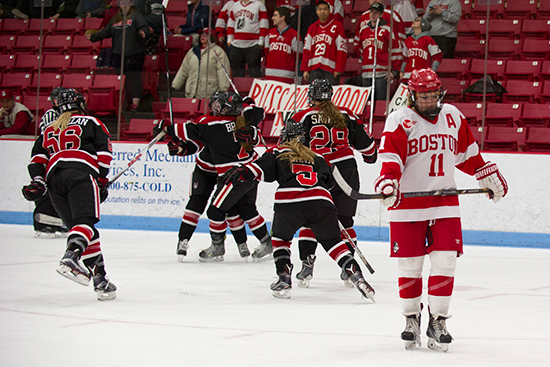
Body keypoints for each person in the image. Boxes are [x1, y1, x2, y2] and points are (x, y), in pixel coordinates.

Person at [375, 68, 508, 351]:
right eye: (423, 95)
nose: (429, 100)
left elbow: (467, 154)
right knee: (410, 266)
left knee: (446, 261)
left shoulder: (453, 116)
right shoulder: (399, 119)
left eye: (433, 94)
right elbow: (391, 159)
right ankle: (411, 319)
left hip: (444, 203)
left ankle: (438, 321)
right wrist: (388, 182)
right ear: (412, 95)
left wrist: (485, 173)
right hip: (408, 205)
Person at [219, 119, 375, 301]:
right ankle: (356, 275)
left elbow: (257, 170)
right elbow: (332, 185)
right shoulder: (317, 157)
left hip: (289, 204)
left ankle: (284, 278)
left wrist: (241, 171)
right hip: (321, 203)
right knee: (334, 243)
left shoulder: (277, 152)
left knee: (280, 239)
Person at [153, 92, 273, 262]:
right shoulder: (243, 119)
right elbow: (256, 118)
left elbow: (190, 130)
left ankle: (217, 247)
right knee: (247, 209)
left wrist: (166, 128)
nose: (214, 107)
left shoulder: (212, 124)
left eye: (218, 105)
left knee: (215, 210)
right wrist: (249, 104)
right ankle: (267, 242)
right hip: (252, 170)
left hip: (234, 175)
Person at [22, 89, 117, 301]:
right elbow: (104, 154)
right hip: (80, 174)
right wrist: (101, 179)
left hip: (55, 180)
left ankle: (100, 279)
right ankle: (71, 257)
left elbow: (37, 160)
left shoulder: (49, 128)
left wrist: (38, 181)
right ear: (80, 104)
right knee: (85, 222)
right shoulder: (92, 121)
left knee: (82, 229)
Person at [290, 79, 377, 288]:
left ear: (311, 96)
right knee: (345, 222)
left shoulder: (301, 116)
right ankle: (350, 269)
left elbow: (291, 147)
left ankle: (307, 265)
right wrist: (370, 157)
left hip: (317, 169)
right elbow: (369, 149)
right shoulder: (346, 114)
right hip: (346, 170)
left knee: (309, 220)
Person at [167, 140, 251, 262]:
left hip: (226, 171)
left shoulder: (236, 124)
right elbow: (197, 141)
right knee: (196, 203)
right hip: (204, 169)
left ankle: (241, 243)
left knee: (227, 207)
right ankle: (183, 240)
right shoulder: (209, 123)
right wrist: (182, 148)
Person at [86, 0, 152, 112]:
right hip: (118, 55)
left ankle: (135, 105)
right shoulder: (116, 18)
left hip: (134, 54)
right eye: (121, 1)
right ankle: (122, 104)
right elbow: (106, 32)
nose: (123, 3)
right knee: (121, 81)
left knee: (134, 79)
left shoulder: (136, 16)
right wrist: (93, 37)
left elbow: (144, 27)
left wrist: (143, 32)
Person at [33, 87, 71, 238]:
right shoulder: (51, 115)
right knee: (45, 189)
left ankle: (55, 221)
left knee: (60, 191)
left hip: (61, 157)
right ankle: (41, 224)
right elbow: (49, 136)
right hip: (49, 156)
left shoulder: (69, 115)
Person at [356, 2, 402, 102]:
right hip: (367, 74)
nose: (373, 14)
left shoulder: (388, 30)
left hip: (382, 74)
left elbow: (397, 50)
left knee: (381, 103)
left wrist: (395, 71)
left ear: (381, 14)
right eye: (371, 12)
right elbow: (359, 49)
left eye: (376, 13)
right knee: (367, 103)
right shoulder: (363, 30)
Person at [172, 28, 231, 99]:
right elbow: (184, 68)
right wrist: (176, 84)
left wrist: (223, 89)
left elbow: (222, 72)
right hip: (192, 91)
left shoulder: (218, 52)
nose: (202, 37)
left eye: (205, 35)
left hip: (209, 92)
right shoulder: (192, 51)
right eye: (201, 35)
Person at [301, 0, 347, 85]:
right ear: (316, 11)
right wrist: (305, 69)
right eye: (320, 9)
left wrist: (338, 69)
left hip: (330, 70)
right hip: (313, 69)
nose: (322, 12)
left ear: (329, 11)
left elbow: (342, 50)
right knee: (314, 97)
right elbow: (306, 49)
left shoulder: (337, 26)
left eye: (325, 9)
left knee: (329, 96)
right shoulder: (312, 28)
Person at [226, 0, 269, 78]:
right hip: (236, 45)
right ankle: (238, 90)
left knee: (254, 73)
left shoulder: (259, 5)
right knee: (237, 74)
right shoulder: (235, 5)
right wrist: (229, 40)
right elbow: (231, 23)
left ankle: (255, 90)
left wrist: (260, 42)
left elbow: (264, 24)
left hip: (253, 45)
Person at [400, 17, 442, 81]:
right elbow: (406, 58)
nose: (414, 21)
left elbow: (438, 55)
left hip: (422, 76)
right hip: (408, 76)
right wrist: (402, 71)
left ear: (423, 24)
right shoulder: (408, 40)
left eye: (417, 20)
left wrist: (433, 71)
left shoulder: (428, 39)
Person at [265, 6, 298, 84]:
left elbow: (298, 55)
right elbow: (266, 51)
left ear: (283, 17)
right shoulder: (269, 33)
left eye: (275, 15)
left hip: (287, 75)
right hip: (270, 74)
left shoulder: (294, 35)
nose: (272, 18)